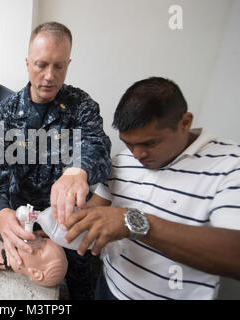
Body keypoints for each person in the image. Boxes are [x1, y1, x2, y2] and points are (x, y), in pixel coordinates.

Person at [63, 77, 240, 299]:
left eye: (150, 143)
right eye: (129, 143)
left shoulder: (230, 164)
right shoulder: (122, 160)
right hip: (109, 288)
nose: (137, 155)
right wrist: (54, 220)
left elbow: (235, 255)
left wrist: (135, 223)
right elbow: (94, 211)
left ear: (185, 123)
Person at [0, 21, 112, 299]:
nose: (50, 75)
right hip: (22, 227)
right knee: (25, 292)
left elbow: (98, 146)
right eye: (41, 65)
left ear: (68, 64)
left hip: (70, 224)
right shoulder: (6, 114)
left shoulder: (81, 105)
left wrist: (77, 171)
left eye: (58, 66)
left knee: (80, 288)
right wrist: (1, 212)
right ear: (27, 63)